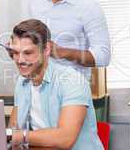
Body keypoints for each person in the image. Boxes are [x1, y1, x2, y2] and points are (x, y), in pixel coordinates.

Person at [8, 19, 104, 149]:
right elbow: (13, 131)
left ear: (47, 49)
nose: (20, 60)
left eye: (28, 53)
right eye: (15, 53)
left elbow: (65, 139)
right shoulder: (22, 82)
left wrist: (20, 137)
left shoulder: (72, 80)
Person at [28, 0, 111, 79]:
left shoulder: (89, 7)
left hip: (74, 89)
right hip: (39, 86)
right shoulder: (35, 0)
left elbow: (104, 56)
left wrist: (62, 52)